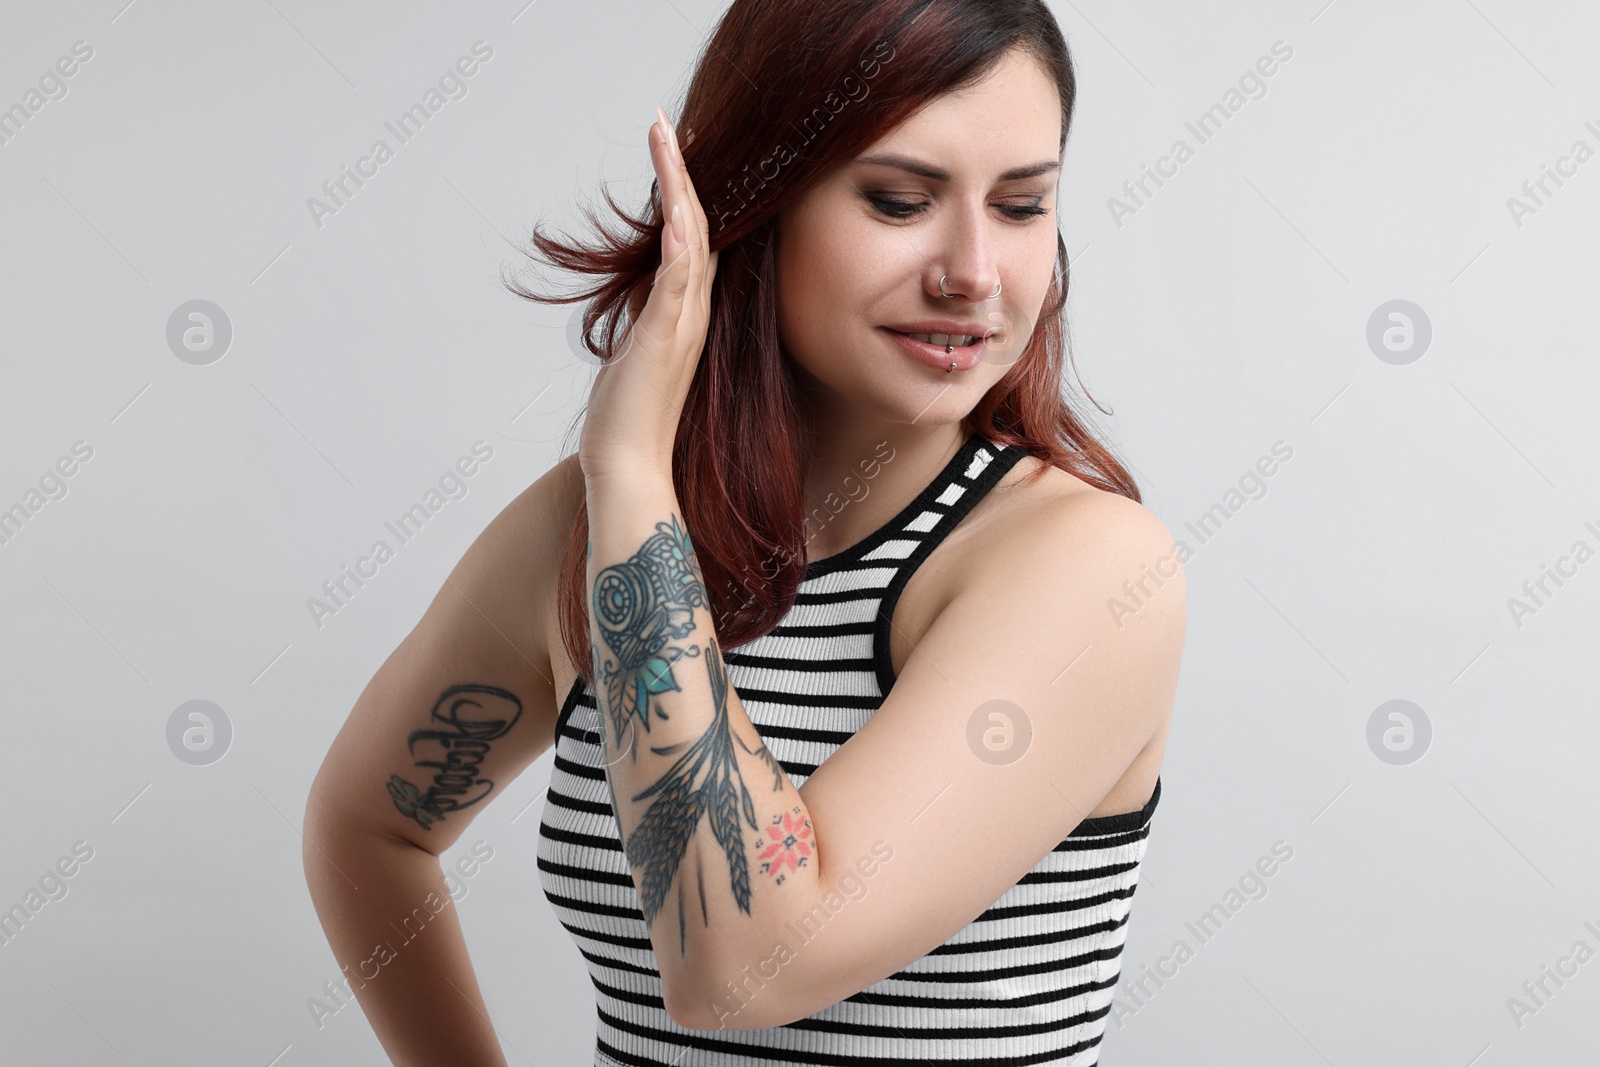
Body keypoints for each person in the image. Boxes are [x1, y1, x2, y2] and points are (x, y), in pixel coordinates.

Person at [302, 1, 1186, 1063]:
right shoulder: (590, 533)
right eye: (900, 201)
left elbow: (741, 965)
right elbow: (369, 827)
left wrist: (629, 471)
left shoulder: (1088, 568)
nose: (974, 272)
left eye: (1021, 205)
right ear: (754, 202)